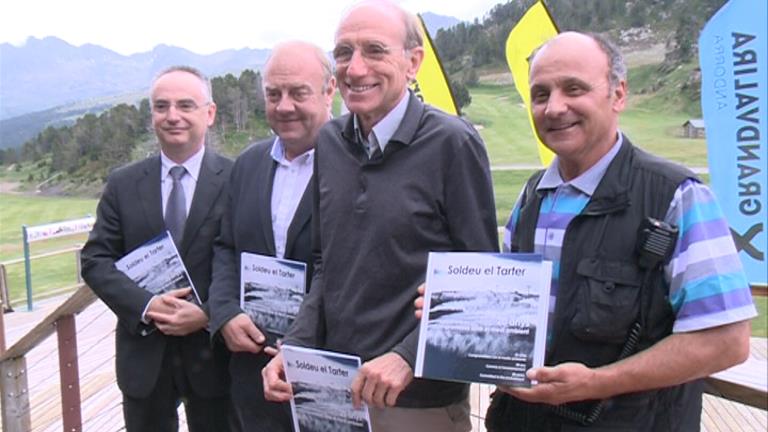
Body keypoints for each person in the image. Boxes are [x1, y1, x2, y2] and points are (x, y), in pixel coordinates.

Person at [417, 32, 756, 431]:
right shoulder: (531, 198)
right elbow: (517, 323)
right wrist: (458, 311)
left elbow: (726, 342)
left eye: (573, 88)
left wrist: (594, 384)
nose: (554, 107)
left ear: (618, 94)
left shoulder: (676, 196)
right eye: (540, 94)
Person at [262, 1, 498, 431]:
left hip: (418, 404)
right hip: (335, 396)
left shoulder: (452, 144)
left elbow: (481, 283)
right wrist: (294, 348)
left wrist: (407, 357)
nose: (354, 69)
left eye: (374, 50)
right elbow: (325, 266)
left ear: (413, 61)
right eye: (343, 53)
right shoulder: (330, 142)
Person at [81, 66, 233, 432]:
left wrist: (209, 314)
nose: (172, 116)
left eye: (185, 105)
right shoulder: (123, 183)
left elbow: (248, 261)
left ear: (209, 114)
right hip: (144, 357)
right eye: (161, 106)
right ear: (152, 116)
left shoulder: (239, 178)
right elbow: (95, 260)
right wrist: (146, 306)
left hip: (214, 357)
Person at [208, 40, 336, 432]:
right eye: (273, 94)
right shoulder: (248, 163)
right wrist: (225, 311)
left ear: (330, 90)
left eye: (298, 92)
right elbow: (226, 246)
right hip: (254, 371)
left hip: (328, 368)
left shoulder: (355, 164)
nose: (283, 106)